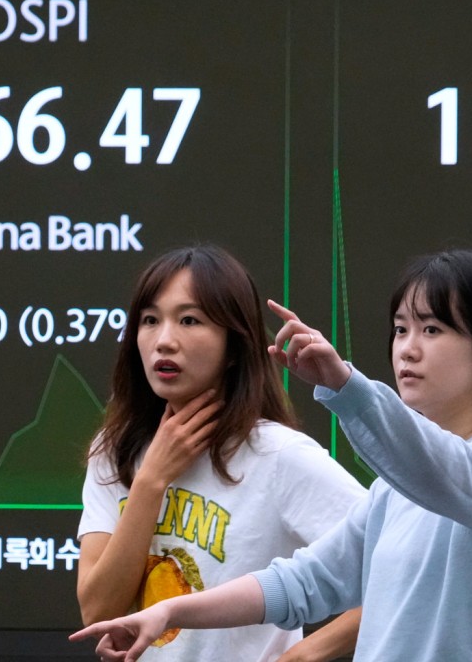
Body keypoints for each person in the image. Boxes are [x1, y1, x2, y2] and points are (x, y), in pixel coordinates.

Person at [71, 248, 472, 661]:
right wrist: (173, 610)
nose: (406, 349)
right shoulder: (394, 491)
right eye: (400, 329)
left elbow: (436, 468)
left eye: (431, 330)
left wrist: (344, 386)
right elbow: (304, 581)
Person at [76, 244, 366, 662]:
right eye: (150, 320)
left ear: (234, 346)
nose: (164, 340)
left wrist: (300, 656)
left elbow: (404, 565)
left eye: (189, 320)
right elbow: (99, 611)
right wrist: (152, 480)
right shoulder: (114, 451)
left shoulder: (279, 456)